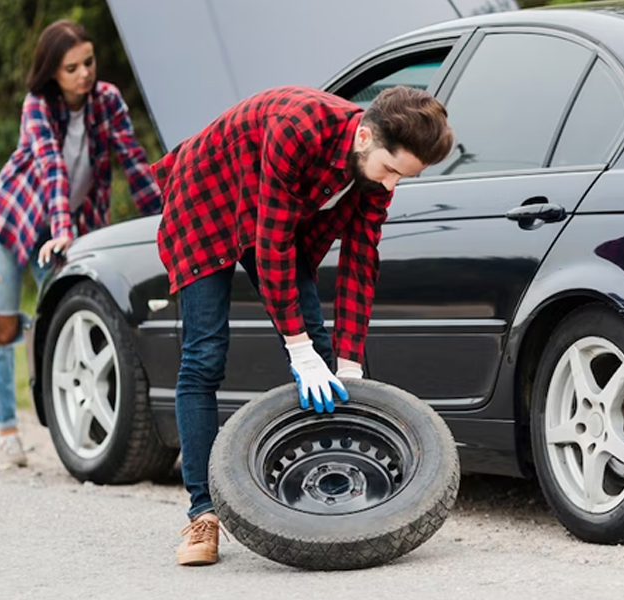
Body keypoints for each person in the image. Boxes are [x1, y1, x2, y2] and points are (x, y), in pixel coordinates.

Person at [151, 85, 454, 566]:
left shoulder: (375, 176)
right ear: (364, 137)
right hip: (207, 196)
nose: (393, 185)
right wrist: (299, 349)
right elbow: (271, 246)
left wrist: (349, 362)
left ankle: (329, 495)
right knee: (205, 354)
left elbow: (360, 262)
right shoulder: (298, 129)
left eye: (405, 177)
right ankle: (202, 514)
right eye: (392, 169)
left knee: (322, 355)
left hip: (268, 212)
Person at [0, 19, 162, 467]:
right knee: (1, 327)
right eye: (71, 67)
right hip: (10, 221)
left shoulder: (108, 101)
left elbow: (134, 163)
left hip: (64, 227)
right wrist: (63, 231)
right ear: (52, 73)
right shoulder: (37, 105)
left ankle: (71, 419)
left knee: (66, 314)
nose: (83, 74)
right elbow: (51, 167)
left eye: (88, 62)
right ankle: (6, 429)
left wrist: (164, 215)